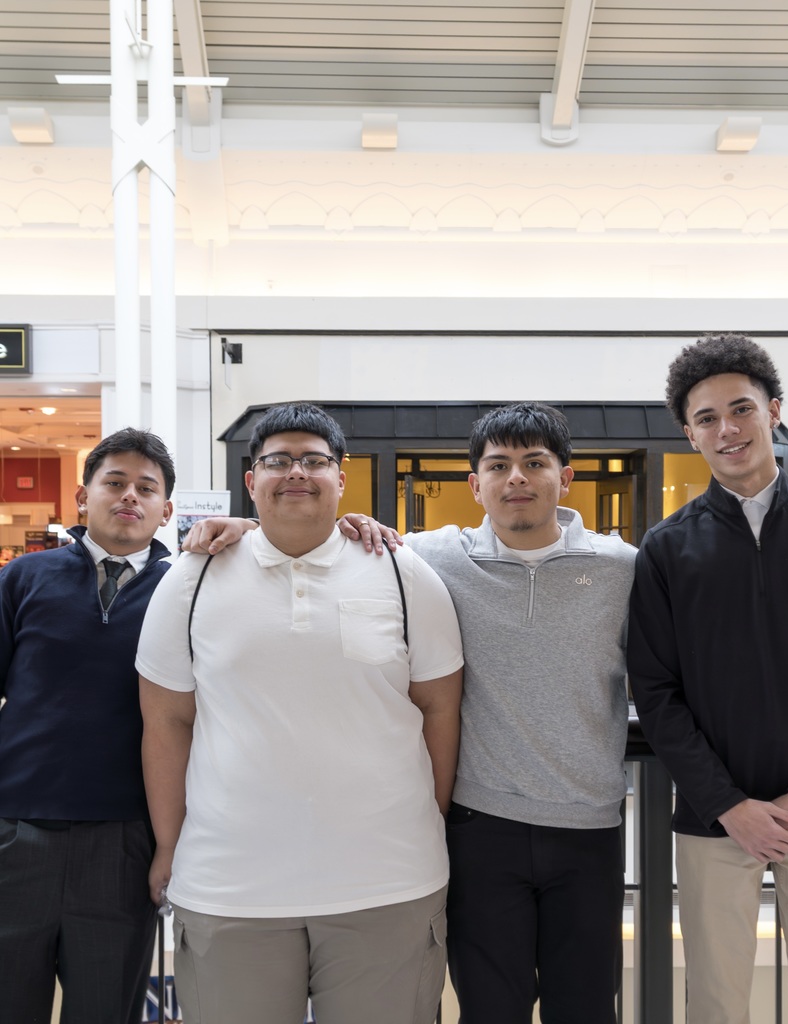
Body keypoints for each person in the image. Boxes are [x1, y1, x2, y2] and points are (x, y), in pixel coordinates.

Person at [185, 401, 636, 1024]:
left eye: (535, 463)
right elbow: (323, 535)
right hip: (482, 825)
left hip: (590, 825)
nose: (517, 479)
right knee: (488, 1007)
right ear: (474, 484)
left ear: (567, 476)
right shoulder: (430, 559)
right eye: (499, 465)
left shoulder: (623, 570)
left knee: (587, 1007)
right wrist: (237, 528)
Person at [136, 402, 463, 1024]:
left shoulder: (402, 572)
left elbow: (440, 710)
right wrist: (169, 846)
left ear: (342, 477)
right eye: (277, 460)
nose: (296, 473)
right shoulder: (192, 579)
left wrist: (428, 819)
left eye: (315, 460)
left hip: (388, 882)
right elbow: (166, 723)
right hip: (229, 886)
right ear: (251, 478)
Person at [627, 333, 788, 1024]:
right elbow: (655, 691)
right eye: (707, 418)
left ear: (774, 412)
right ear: (690, 434)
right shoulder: (666, 547)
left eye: (741, 409)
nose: (727, 429)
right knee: (716, 998)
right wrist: (727, 803)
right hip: (718, 820)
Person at [0, 427, 176, 1024]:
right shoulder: (23, 579)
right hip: (16, 834)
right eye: (115, 482)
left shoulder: (186, 589)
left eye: (145, 488)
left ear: (165, 509)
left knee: (106, 1011)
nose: (130, 496)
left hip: (125, 843)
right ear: (83, 497)